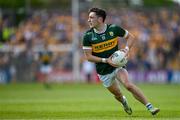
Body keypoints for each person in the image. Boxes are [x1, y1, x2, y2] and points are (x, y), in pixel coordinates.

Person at [82, 7, 160, 115]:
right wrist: (106, 60)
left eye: (91, 17)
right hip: (103, 70)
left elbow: (131, 37)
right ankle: (123, 102)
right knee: (118, 94)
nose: (88, 20)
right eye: (89, 17)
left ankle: (150, 107)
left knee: (128, 85)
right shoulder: (88, 36)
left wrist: (127, 49)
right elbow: (88, 57)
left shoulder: (113, 29)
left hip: (117, 65)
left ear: (100, 19)